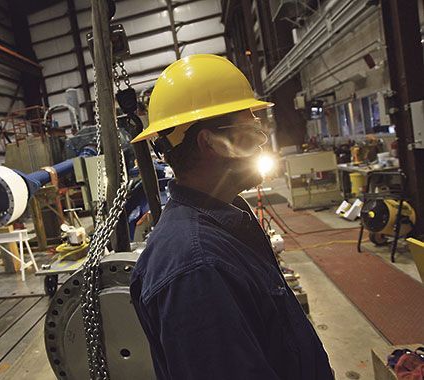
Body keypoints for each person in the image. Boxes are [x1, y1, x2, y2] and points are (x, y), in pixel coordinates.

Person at [129, 54, 334, 379]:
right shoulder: (196, 270)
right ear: (211, 143)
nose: (259, 144)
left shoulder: (226, 219)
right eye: (250, 133)